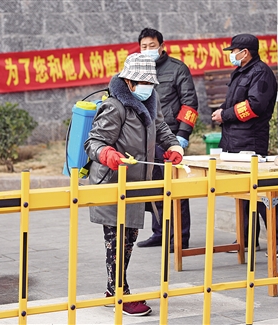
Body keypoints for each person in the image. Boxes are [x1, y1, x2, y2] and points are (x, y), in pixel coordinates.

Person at [84, 53, 183, 316]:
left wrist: (172, 145)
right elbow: (93, 142)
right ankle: (120, 294)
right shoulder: (114, 107)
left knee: (128, 238)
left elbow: (160, 127)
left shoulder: (151, 100)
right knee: (115, 240)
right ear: (128, 81)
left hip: (137, 182)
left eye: (149, 82)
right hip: (112, 182)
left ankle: (112, 289)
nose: (146, 86)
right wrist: (107, 154)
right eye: (141, 82)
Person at [211, 33, 278, 257]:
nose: (231, 55)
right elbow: (233, 101)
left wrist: (226, 115)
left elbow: (254, 107)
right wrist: (222, 112)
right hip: (234, 138)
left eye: (233, 51)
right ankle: (248, 238)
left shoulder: (261, 73)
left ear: (245, 52)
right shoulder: (241, 72)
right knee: (241, 191)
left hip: (250, 139)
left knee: (259, 191)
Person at [136, 28, 199, 252]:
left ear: (161, 46)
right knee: (156, 187)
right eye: (143, 46)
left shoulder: (177, 69)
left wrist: (182, 135)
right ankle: (160, 233)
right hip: (147, 137)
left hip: (171, 136)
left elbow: (190, 103)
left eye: (152, 46)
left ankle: (180, 237)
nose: (148, 50)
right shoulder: (137, 70)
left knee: (177, 188)